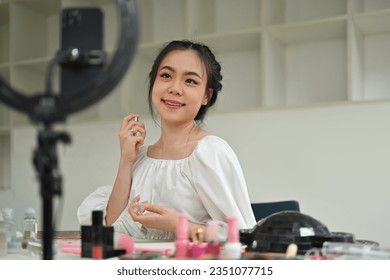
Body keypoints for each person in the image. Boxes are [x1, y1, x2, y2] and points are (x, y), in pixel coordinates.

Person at [77, 40, 256, 240]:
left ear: (207, 95)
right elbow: (111, 225)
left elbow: (242, 236)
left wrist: (178, 226)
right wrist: (126, 160)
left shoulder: (210, 152)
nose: (175, 88)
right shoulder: (141, 157)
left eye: (190, 81)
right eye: (166, 76)